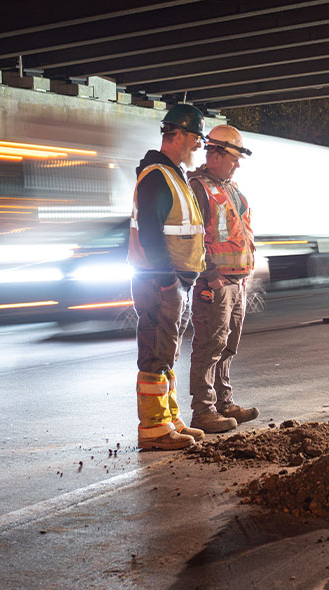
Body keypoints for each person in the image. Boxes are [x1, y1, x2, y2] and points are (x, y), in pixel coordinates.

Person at [128, 104, 209, 451]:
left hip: (172, 283)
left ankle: (169, 419)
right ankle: (153, 428)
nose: (199, 146)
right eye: (195, 138)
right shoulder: (158, 176)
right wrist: (167, 282)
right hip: (160, 282)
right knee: (154, 354)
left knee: (166, 354)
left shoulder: (172, 174)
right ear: (177, 135)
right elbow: (150, 235)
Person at [186, 124, 259, 433]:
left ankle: (223, 403)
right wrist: (210, 275)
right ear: (214, 153)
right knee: (209, 345)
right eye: (233, 156)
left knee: (228, 344)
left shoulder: (230, 188)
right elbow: (193, 237)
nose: (237, 163)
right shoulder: (199, 189)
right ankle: (203, 410)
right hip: (214, 284)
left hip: (235, 282)